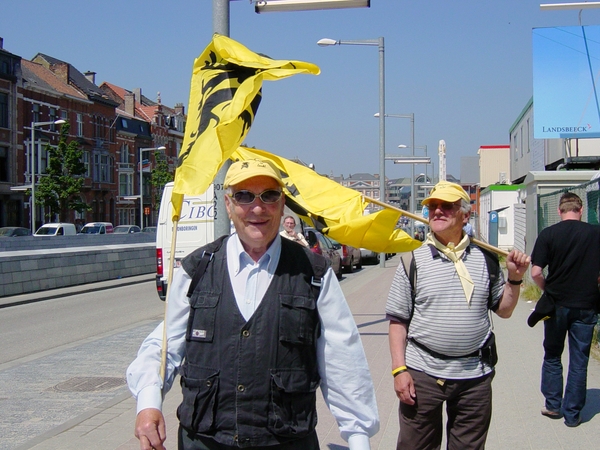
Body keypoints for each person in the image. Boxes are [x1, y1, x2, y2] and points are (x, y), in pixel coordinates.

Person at [127, 159, 379, 450]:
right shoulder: (196, 269)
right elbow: (163, 346)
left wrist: (358, 437)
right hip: (205, 442)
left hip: (285, 442)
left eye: (269, 195)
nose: (257, 208)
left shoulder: (314, 273)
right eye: (244, 196)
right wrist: (148, 403)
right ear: (228, 204)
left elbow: (343, 360)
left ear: (282, 202)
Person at [385, 181, 530, 450]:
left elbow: (505, 310)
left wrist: (515, 278)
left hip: (474, 377)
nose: (437, 212)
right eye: (433, 207)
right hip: (423, 375)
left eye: (447, 206)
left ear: (465, 215)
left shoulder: (486, 258)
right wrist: (399, 370)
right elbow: (398, 321)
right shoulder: (412, 260)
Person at [530, 192, 600, 427]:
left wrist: (547, 289)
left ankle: (552, 404)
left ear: (559, 211)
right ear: (580, 210)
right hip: (586, 304)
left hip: (556, 304)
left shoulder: (549, 234)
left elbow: (536, 272)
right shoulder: (595, 234)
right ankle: (572, 414)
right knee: (579, 360)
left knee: (552, 354)